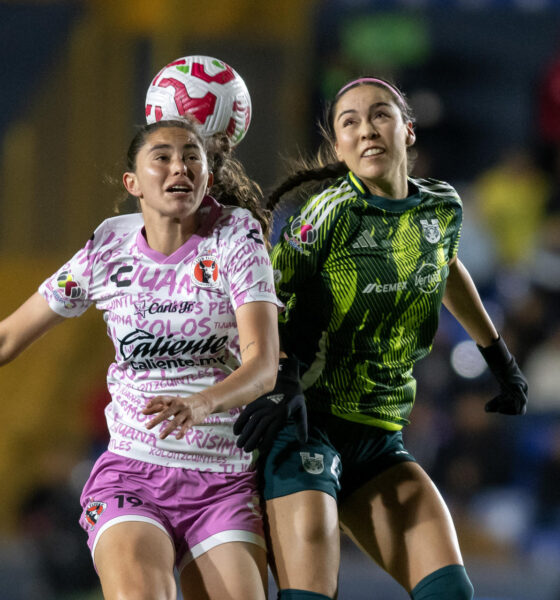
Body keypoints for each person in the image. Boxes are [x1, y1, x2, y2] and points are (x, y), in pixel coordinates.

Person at [234, 77, 528, 600]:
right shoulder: (327, 215)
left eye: (380, 115)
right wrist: (280, 381)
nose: (366, 129)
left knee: (452, 594)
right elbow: (264, 303)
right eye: (350, 122)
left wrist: (498, 355)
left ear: (407, 131)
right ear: (339, 146)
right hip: (306, 427)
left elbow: (445, 266)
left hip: (379, 438)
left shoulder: (442, 207)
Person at [0, 117, 281, 600]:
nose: (181, 167)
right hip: (132, 474)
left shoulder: (237, 237)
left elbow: (263, 365)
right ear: (134, 184)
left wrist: (202, 403)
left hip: (224, 480)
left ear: (209, 178)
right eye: (164, 157)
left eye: (193, 157)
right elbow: (7, 337)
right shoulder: (107, 247)